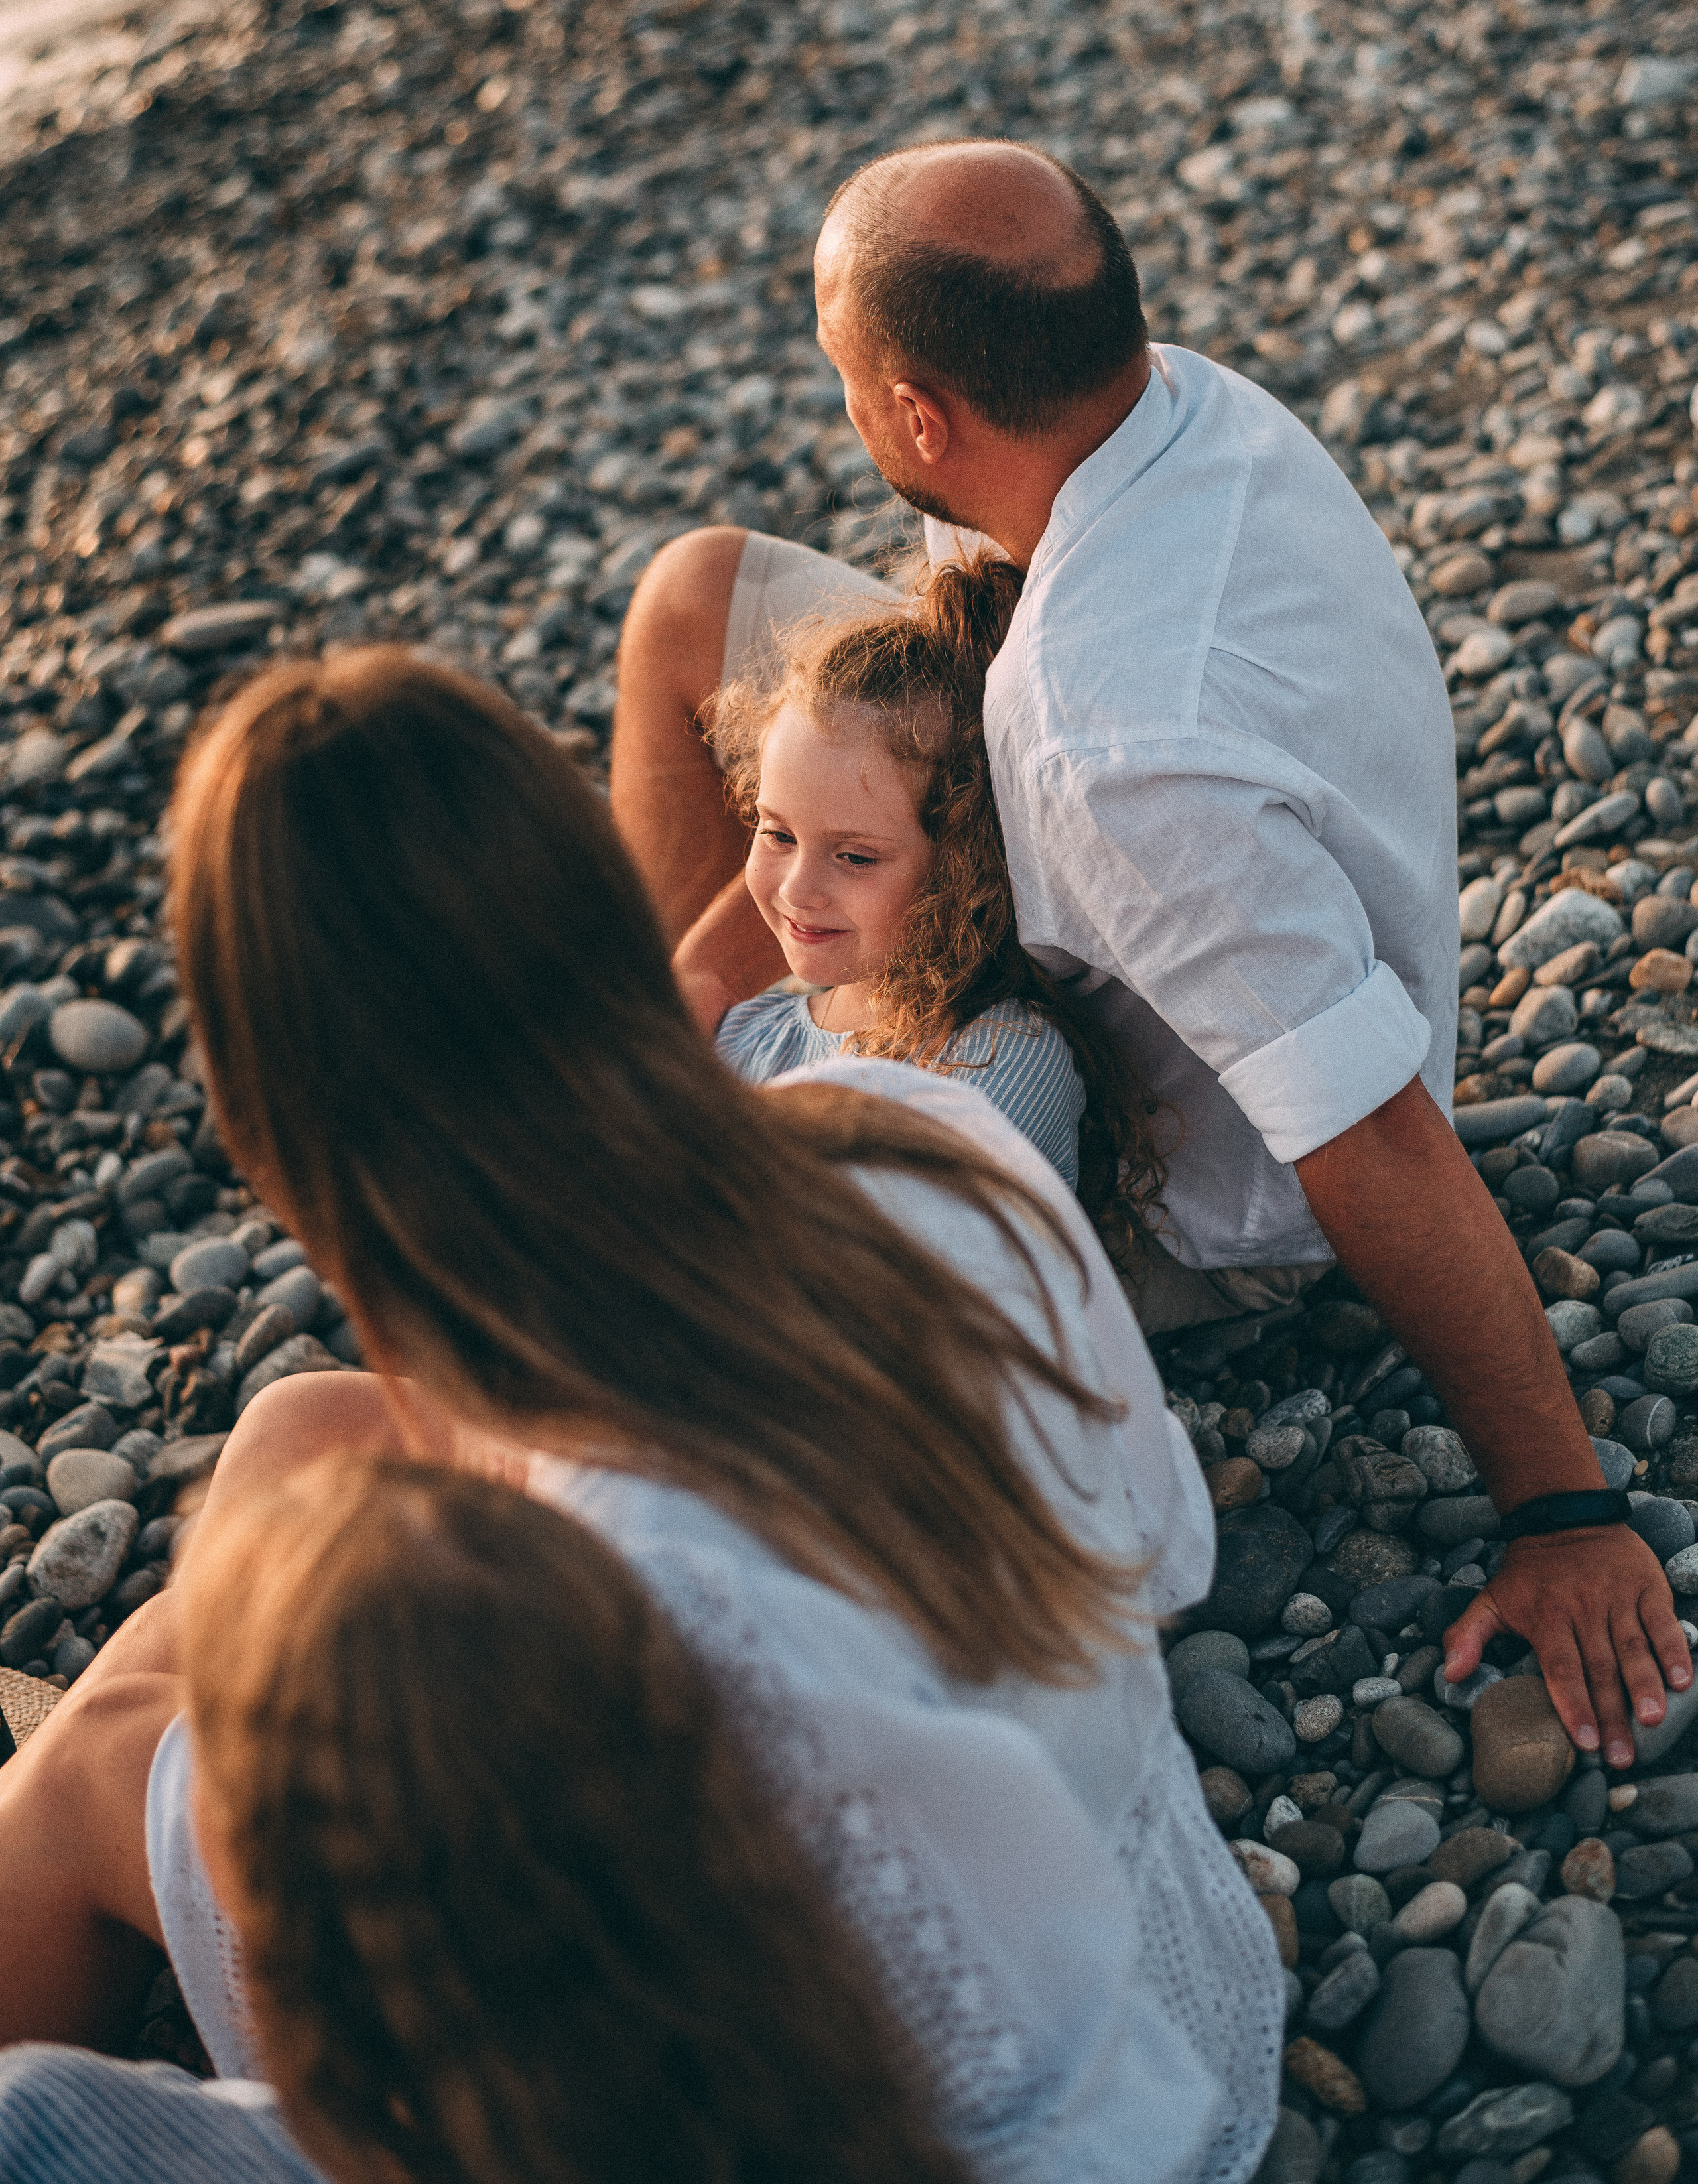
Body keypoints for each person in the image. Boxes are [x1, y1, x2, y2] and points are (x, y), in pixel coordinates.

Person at [0, 649, 1281, 2184]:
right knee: (299, 1435)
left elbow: (620, 2078)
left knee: (92, 1777)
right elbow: (1159, 1543)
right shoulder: (917, 1125)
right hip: (1157, 1969)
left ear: (282, 1125)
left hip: (935, 2125)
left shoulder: (612, 1572)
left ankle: (74, 1830)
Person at [609, 135, 1689, 1773]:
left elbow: (1367, 1127)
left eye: (840, 373)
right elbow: (986, 645)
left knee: (742, 1272)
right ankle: (666, 1044)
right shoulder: (1166, 402)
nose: (837, 406)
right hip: (1127, 843)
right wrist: (762, 915)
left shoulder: (1109, 749)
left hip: (1174, 1173)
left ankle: (647, 1164)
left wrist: (1562, 1503)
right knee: (698, 596)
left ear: (915, 420)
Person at [0, 1458, 976, 2184]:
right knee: (161, 1644)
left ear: (290, 1928)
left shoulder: (43, 2116)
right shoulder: (858, 2049)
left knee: (102, 1745)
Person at [711, 550, 1167, 1250]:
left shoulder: (1001, 1059)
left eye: (855, 857)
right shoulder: (746, 1036)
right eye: (776, 833)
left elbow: (881, 1287)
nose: (796, 889)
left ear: (967, 868)